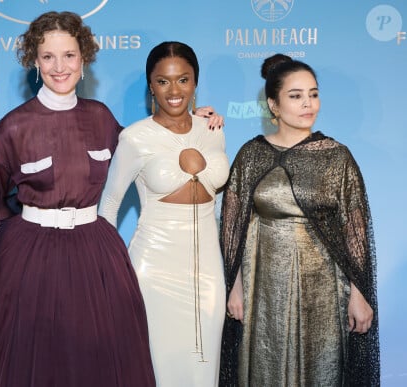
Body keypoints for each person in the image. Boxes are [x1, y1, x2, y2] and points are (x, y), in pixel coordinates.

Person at [0, 12, 156, 386]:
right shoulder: (14, 125)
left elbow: (150, 151)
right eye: (48, 56)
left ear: (83, 59)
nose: (59, 67)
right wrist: (18, 244)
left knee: (98, 362)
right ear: (34, 62)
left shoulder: (102, 118)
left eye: (69, 55)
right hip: (31, 260)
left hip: (96, 254)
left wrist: (193, 121)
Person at [219, 54, 380, 386]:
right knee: (264, 369)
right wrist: (233, 289)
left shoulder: (337, 156)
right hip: (261, 291)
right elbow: (232, 227)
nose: (309, 103)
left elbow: (355, 231)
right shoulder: (251, 155)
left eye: (314, 93)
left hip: (323, 292)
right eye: (296, 96)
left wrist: (359, 293)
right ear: (274, 105)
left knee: (322, 370)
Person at [99, 41, 230, 387]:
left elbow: (215, 201)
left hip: (206, 271)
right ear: (151, 86)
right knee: (158, 369)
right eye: (163, 81)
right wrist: (108, 273)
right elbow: (109, 207)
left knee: (205, 367)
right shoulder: (135, 138)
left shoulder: (212, 129)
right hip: (153, 269)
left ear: (195, 83)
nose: (174, 91)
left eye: (183, 80)